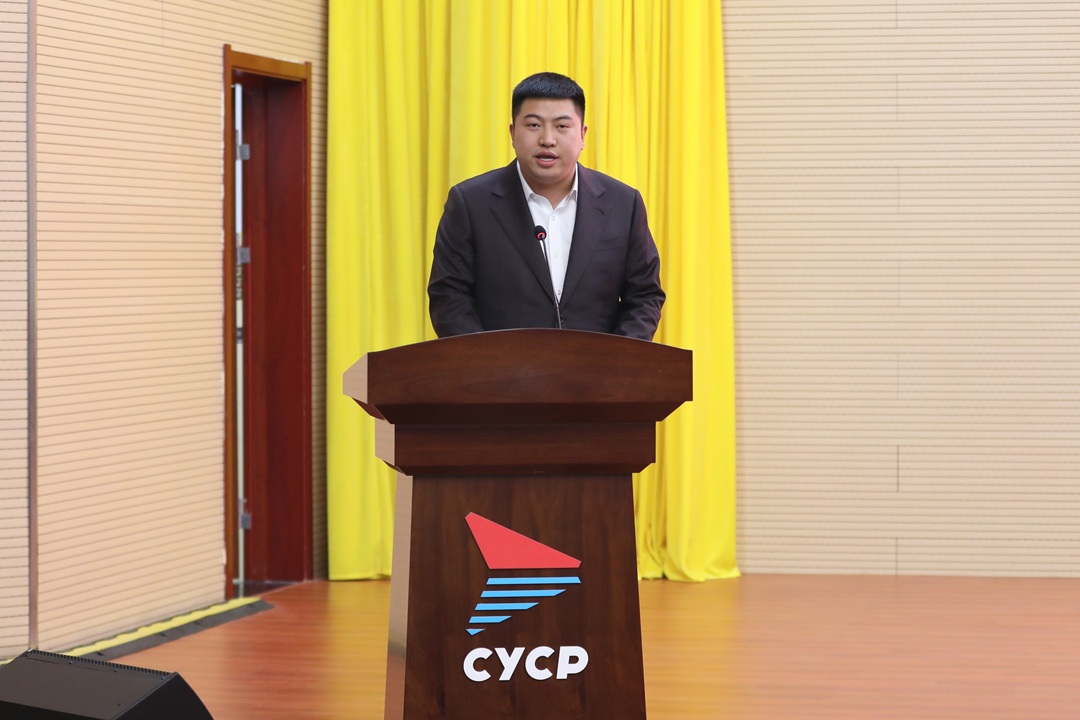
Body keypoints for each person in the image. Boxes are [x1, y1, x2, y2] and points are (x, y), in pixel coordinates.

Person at [427, 72, 665, 341]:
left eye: (562, 126)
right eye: (533, 125)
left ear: (582, 135)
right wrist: (486, 360)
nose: (548, 139)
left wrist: (618, 359)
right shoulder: (470, 203)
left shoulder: (623, 204)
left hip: (599, 366)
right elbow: (449, 296)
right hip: (498, 365)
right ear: (513, 133)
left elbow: (644, 295)